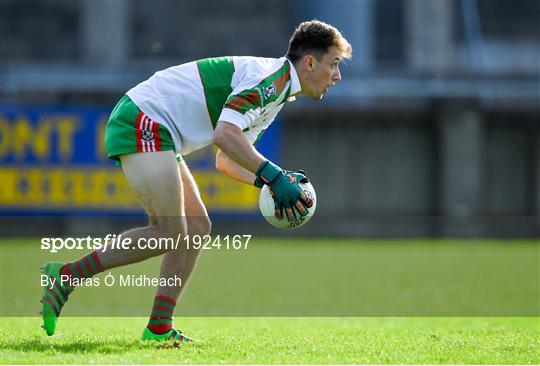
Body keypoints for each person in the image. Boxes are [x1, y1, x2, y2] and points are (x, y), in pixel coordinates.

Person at [40, 19, 352, 344]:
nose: (337, 76)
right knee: (169, 231)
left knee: (197, 226)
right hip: (143, 120)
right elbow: (225, 134)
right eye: (334, 64)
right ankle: (65, 277)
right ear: (310, 62)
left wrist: (269, 183)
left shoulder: (278, 92)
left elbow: (227, 157)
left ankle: (159, 328)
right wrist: (274, 175)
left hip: (158, 128)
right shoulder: (270, 81)